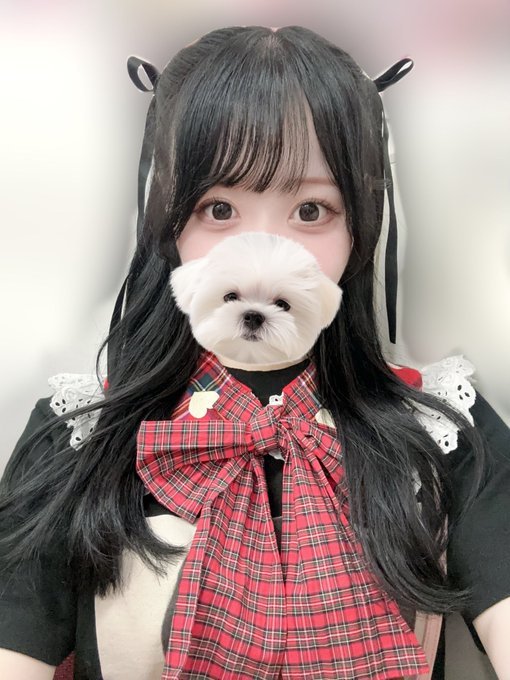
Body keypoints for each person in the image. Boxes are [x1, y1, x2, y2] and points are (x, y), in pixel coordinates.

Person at [0, 24, 509, 680]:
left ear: (362, 223)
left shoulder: (442, 427)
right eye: (219, 208)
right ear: (167, 217)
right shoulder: (79, 437)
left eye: (311, 211)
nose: (263, 255)